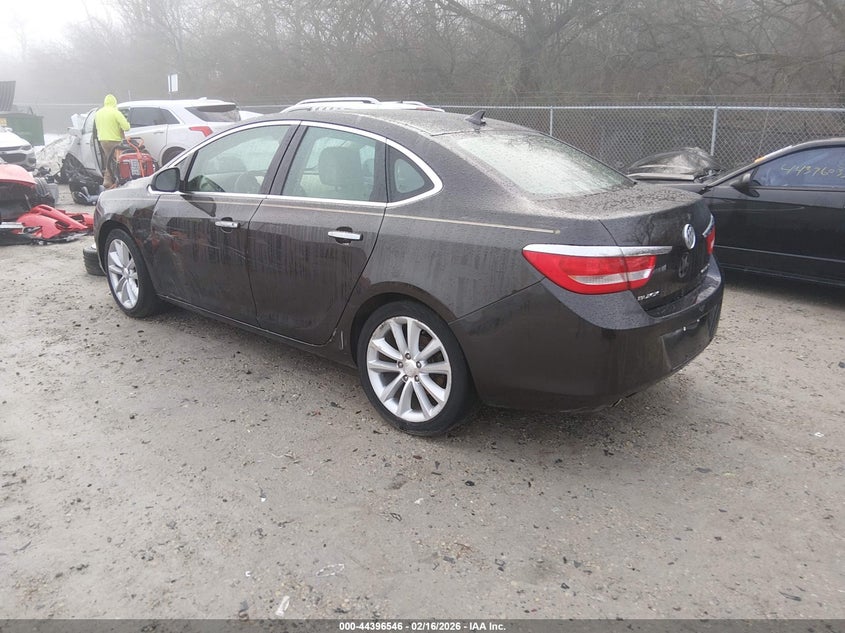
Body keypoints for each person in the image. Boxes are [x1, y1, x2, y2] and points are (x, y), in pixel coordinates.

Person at [94, 94, 130, 189]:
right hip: (115, 141)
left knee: (108, 160)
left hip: (103, 141)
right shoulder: (115, 112)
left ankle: (108, 180)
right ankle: (119, 181)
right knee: (118, 161)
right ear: (114, 102)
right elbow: (126, 127)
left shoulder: (98, 113)